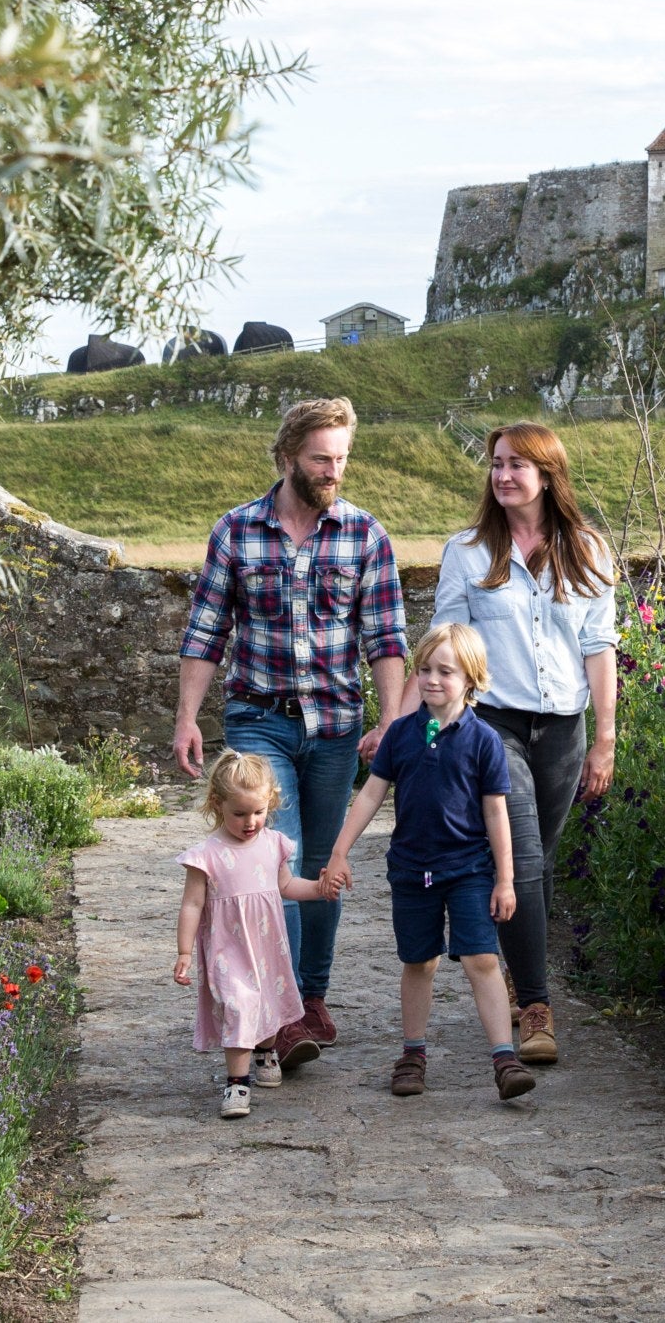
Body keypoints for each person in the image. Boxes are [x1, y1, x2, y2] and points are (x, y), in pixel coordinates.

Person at [173, 397, 408, 1070]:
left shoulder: (365, 535)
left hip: (335, 727)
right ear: (285, 457)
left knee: (320, 865)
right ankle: (276, 1012)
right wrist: (187, 717)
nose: (333, 470)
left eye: (340, 459)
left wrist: (390, 719)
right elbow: (206, 631)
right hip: (259, 718)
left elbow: (386, 639)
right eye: (320, 459)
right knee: (278, 857)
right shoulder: (237, 530)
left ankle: (310, 1000)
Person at [429, 421, 617, 1066]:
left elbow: (598, 648)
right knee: (527, 856)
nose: (503, 475)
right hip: (492, 725)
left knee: (535, 864)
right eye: (496, 464)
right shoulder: (468, 550)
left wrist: (606, 741)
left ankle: (508, 969)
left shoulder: (588, 549)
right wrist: (417, 724)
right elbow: (443, 641)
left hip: (564, 727)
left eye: (517, 465)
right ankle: (536, 1007)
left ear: (547, 474)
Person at [322, 622, 537, 1102]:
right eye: (425, 670)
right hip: (411, 869)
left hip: (468, 869)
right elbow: (372, 795)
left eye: (446, 671)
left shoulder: (484, 741)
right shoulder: (400, 734)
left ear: (472, 679)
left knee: (482, 958)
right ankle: (412, 1053)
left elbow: (496, 813)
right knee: (419, 962)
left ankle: (504, 1057)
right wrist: (339, 851)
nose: (432, 680)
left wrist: (505, 879)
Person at [173, 753, 337, 1119]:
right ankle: (237, 1083)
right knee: (239, 1005)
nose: (251, 822)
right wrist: (184, 950)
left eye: (259, 812)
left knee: (266, 1003)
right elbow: (192, 905)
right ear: (218, 805)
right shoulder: (206, 855)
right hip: (227, 949)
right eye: (240, 814)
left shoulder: (274, 844)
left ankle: (266, 1051)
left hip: (267, 946)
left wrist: (320, 889)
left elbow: (288, 886)